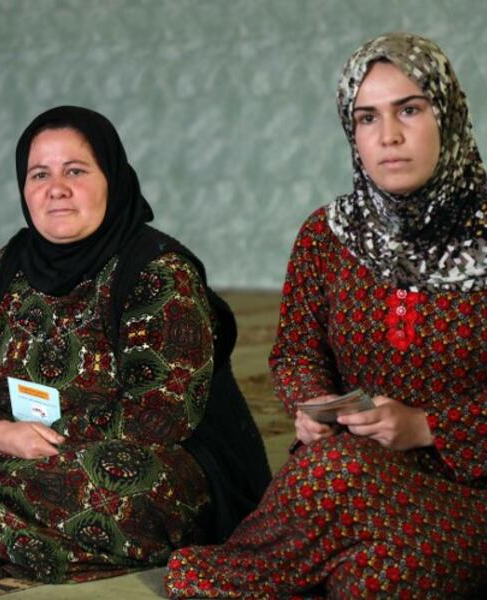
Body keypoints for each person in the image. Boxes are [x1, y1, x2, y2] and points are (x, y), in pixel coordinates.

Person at [0, 106, 269, 583]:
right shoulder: (8, 266)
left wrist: (47, 444)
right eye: (39, 174)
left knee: (130, 487)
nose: (56, 189)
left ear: (111, 177)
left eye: (76, 171)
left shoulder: (156, 271)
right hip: (8, 448)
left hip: (124, 460)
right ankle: (41, 542)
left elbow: (159, 417)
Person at [166, 32, 487, 598]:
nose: (388, 136)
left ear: (449, 115)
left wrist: (426, 427)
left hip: (467, 488)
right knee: (365, 574)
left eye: (410, 109)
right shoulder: (328, 235)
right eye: (366, 118)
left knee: (367, 570)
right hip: (349, 467)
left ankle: (231, 576)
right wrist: (311, 406)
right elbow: (295, 351)